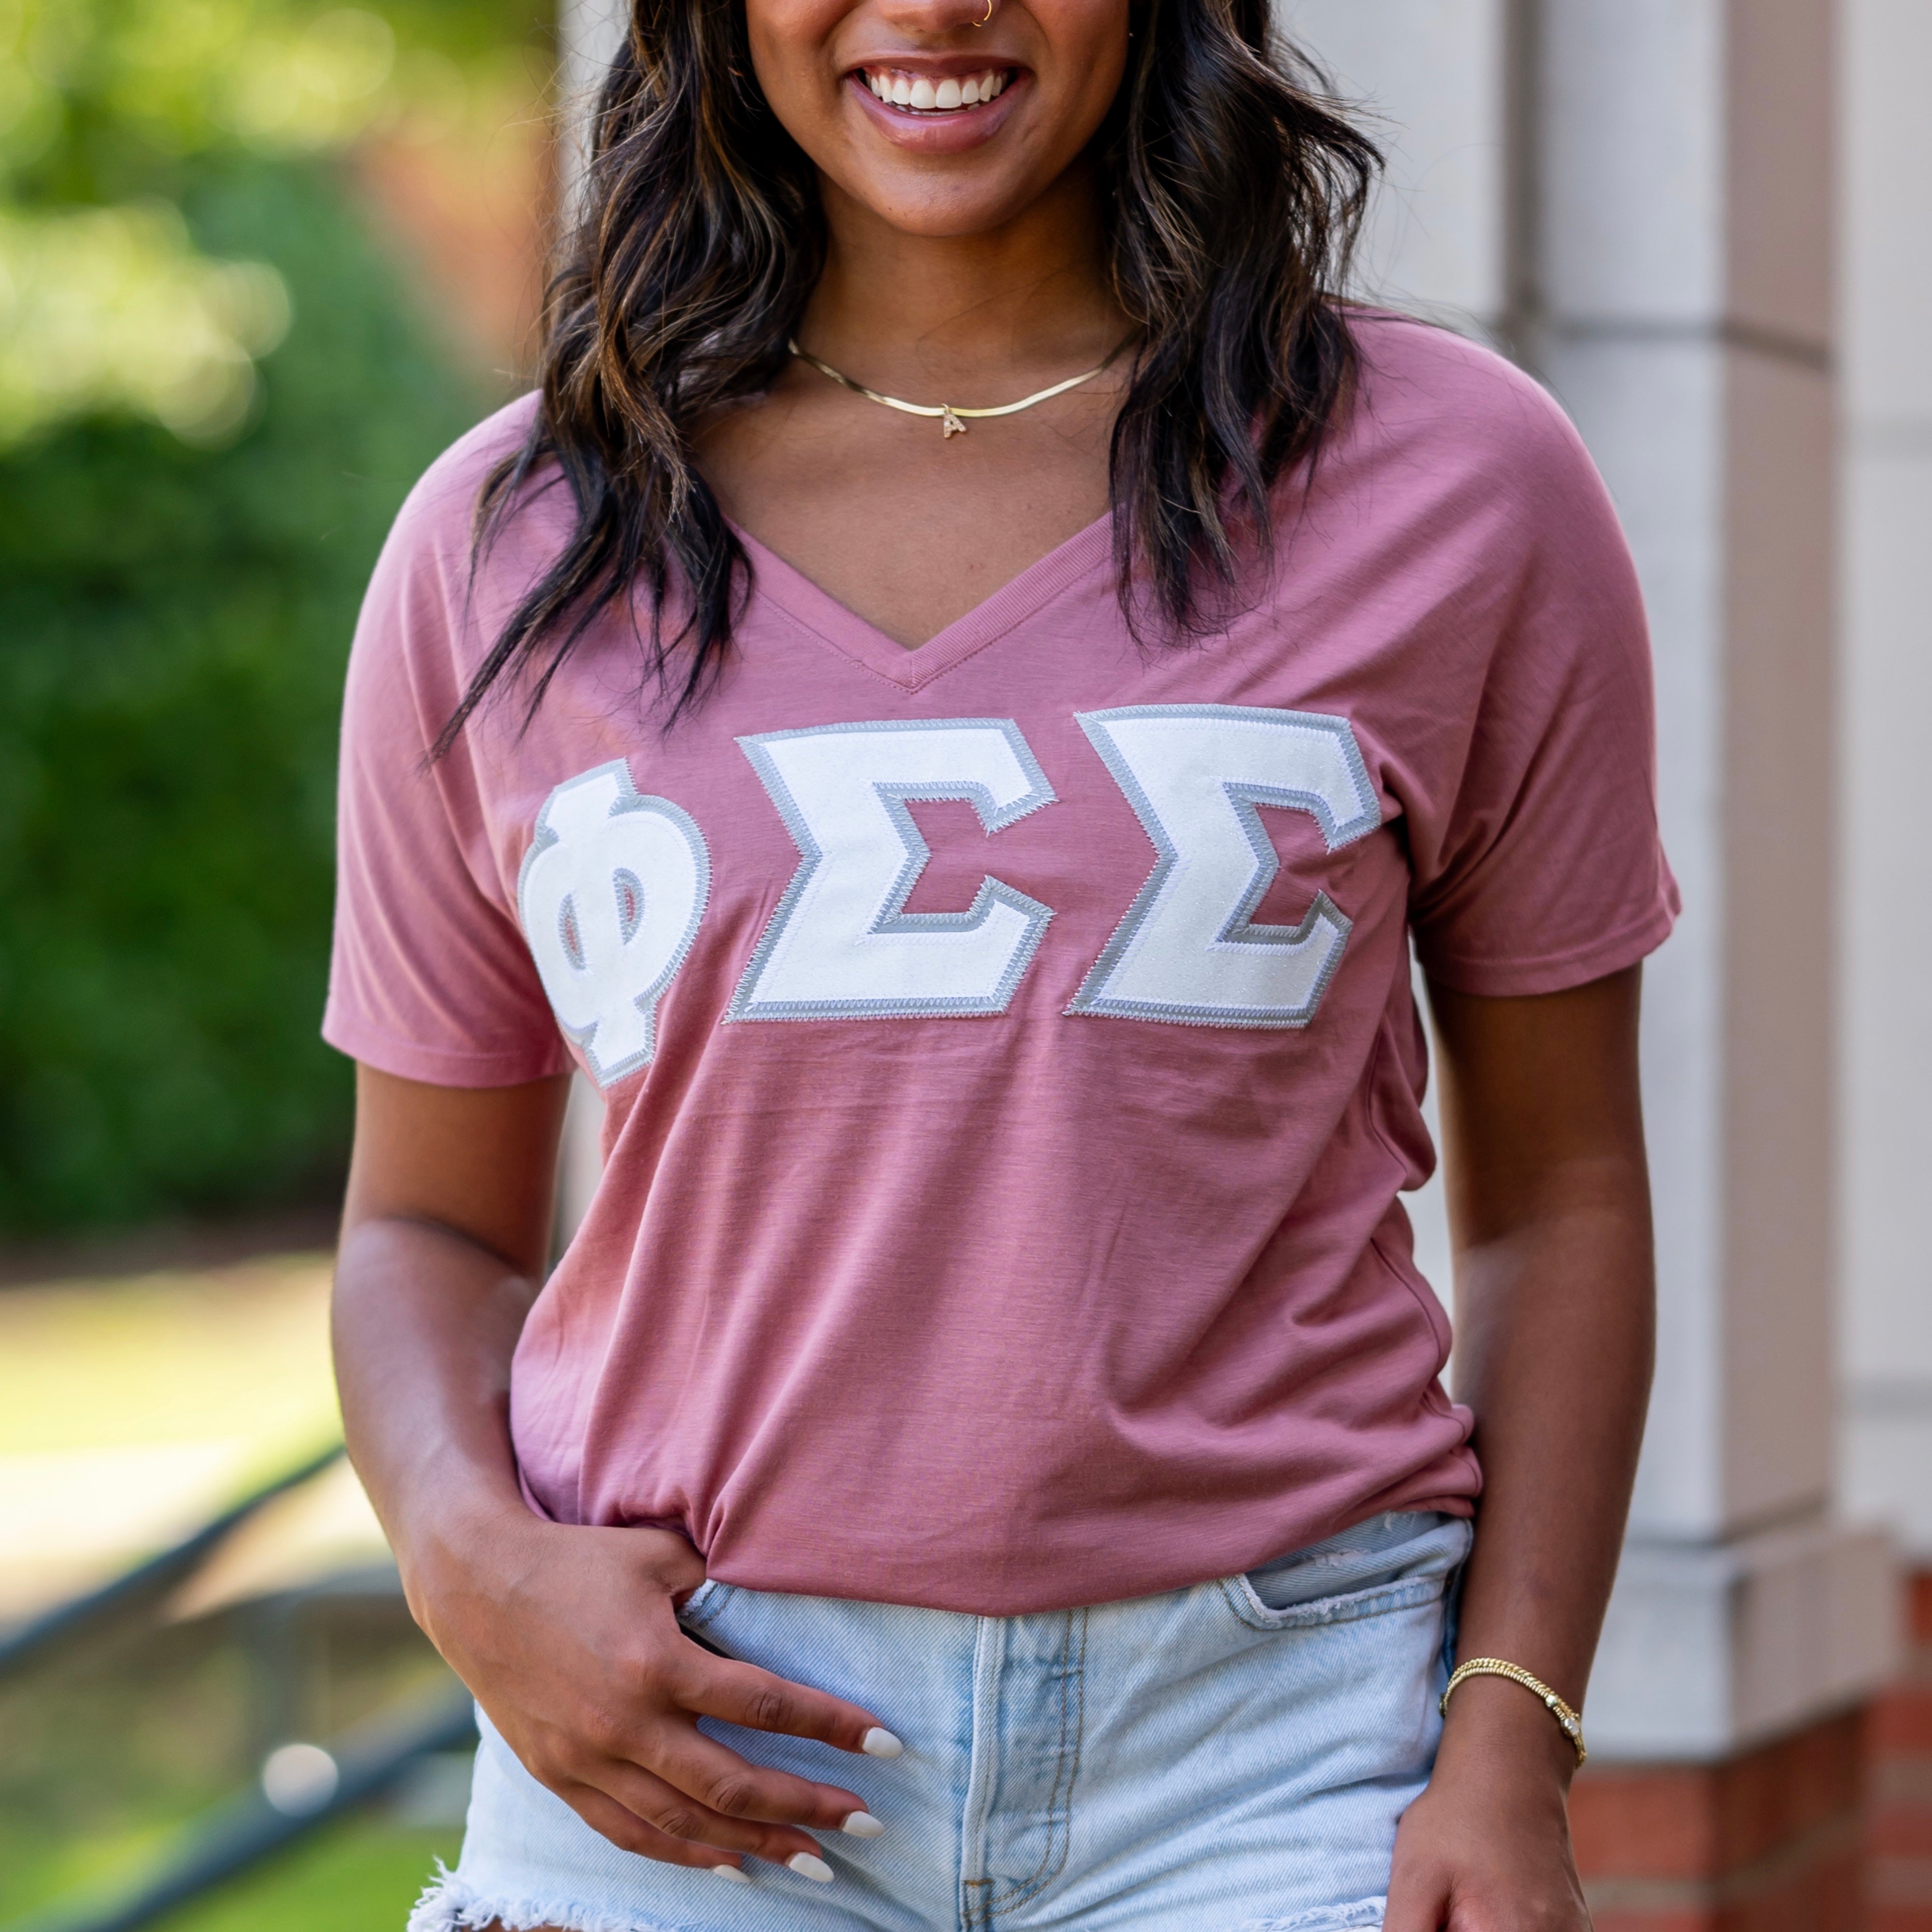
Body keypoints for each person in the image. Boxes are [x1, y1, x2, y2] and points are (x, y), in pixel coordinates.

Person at [325, 0, 1676, 1922]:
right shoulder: (513, 540)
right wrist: (467, 1564)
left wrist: (1511, 1738)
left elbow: (1563, 1195)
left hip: (1278, 1750)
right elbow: (424, 1235)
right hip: (683, 1738)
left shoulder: (1454, 481)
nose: (937, 9)